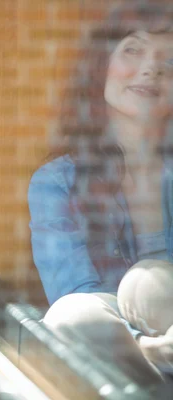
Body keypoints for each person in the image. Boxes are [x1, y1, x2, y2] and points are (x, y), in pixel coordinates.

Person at [28, 3, 173, 386]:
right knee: (71, 315)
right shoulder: (57, 181)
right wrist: (148, 342)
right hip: (115, 330)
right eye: (133, 49)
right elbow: (74, 292)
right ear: (100, 64)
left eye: (169, 59)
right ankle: (154, 363)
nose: (152, 68)